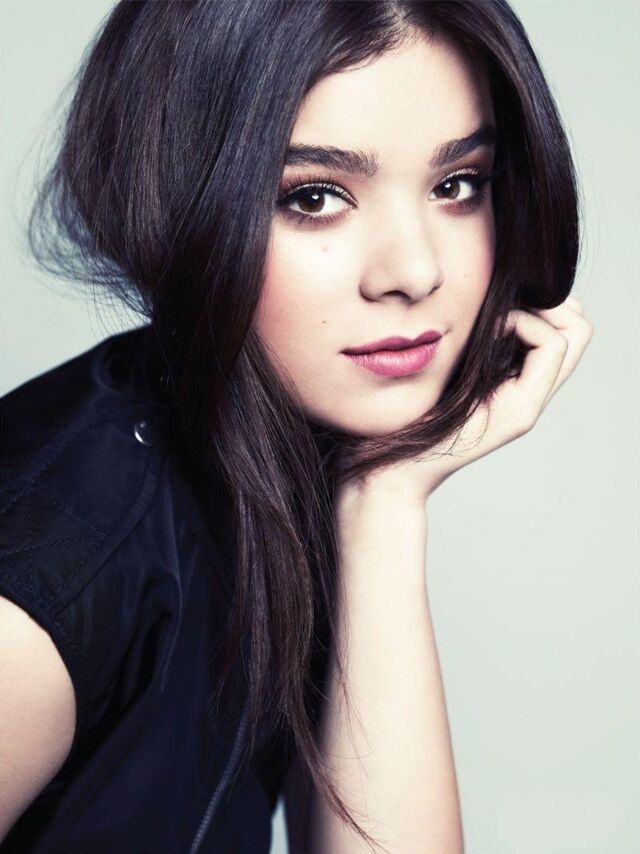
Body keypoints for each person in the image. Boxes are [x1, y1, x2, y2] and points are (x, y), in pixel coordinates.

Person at [0, 1, 594, 852]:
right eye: (315, 197)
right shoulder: (45, 584)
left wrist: (382, 503)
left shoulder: (282, 456)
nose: (414, 271)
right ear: (180, 198)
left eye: (457, 184)